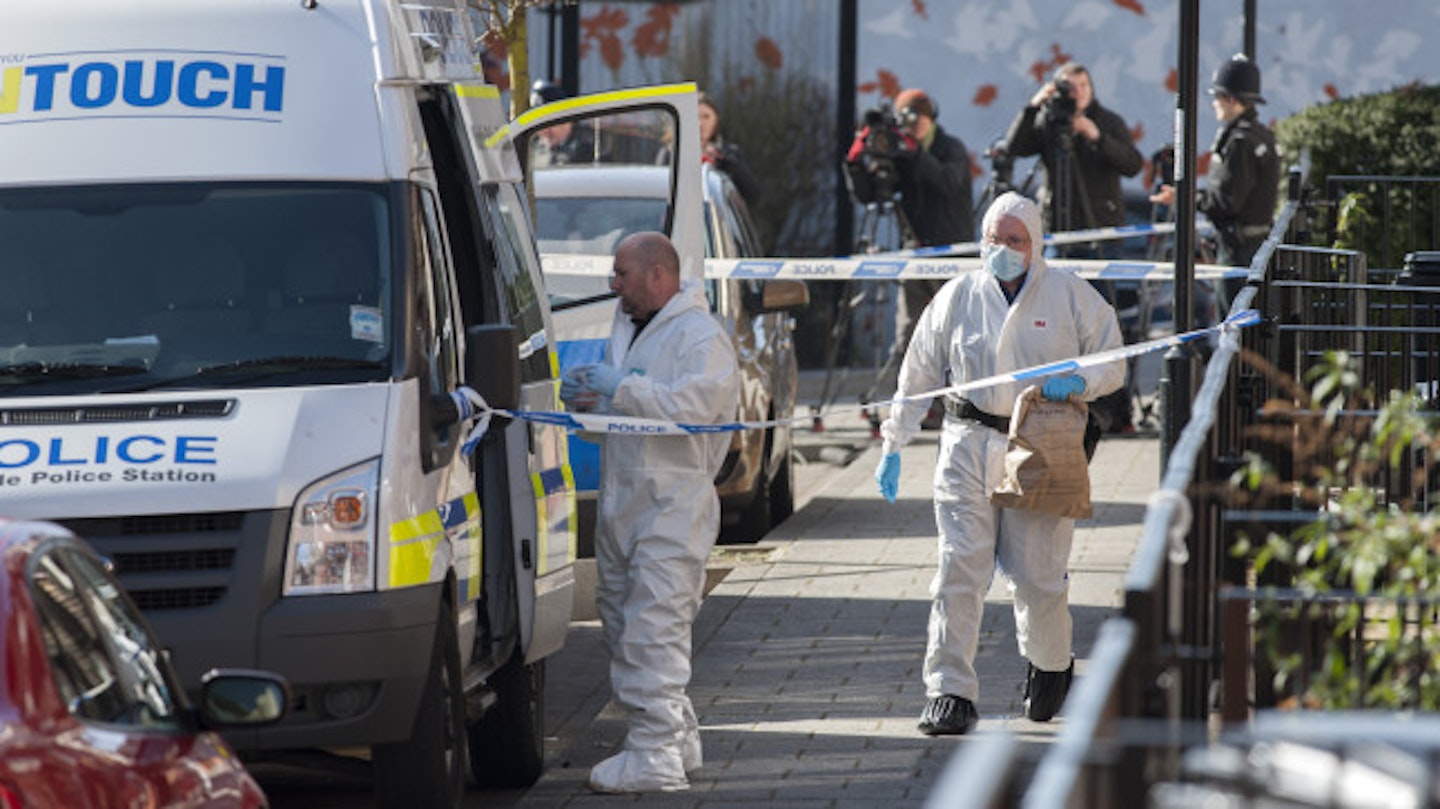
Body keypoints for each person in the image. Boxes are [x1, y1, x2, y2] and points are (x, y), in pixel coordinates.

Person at [872, 192, 1125, 735]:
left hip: (1041, 444)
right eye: (996, 239)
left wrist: (1082, 379)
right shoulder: (957, 295)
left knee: (1037, 579)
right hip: (967, 443)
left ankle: (1052, 663)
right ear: (982, 240)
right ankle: (949, 691)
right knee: (959, 568)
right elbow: (917, 372)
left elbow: (1114, 357)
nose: (1004, 250)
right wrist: (894, 442)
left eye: (1016, 240)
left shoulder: (1068, 295)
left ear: (1035, 244)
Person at [559, 232, 740, 792]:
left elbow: (693, 409)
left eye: (622, 273)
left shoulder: (699, 337)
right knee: (621, 623)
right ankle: (676, 735)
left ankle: (654, 754)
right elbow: (627, 419)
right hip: (625, 504)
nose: (613, 285)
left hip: (671, 506)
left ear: (658, 274)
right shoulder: (628, 328)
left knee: (653, 629)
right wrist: (590, 404)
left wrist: (624, 389)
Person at [848, 87, 974, 429]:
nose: (912, 125)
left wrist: (914, 152)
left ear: (930, 117)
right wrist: (857, 160)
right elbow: (870, 195)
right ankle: (917, 406)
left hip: (953, 253)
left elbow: (948, 183)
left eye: (917, 118)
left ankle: (959, 402)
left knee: (955, 334)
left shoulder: (952, 148)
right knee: (911, 333)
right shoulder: (901, 153)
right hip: (913, 253)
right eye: (906, 119)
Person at [1151, 54, 1280, 267]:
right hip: (1250, 244)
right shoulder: (1260, 135)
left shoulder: (1239, 142)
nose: (1214, 104)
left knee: (1232, 300)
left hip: (1240, 248)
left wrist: (1187, 198)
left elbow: (1227, 202)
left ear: (1231, 99)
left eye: (1218, 97)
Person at [1004, 61, 1143, 241]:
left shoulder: (1109, 122)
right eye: (1070, 87)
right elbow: (1014, 147)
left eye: (1084, 85)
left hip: (1101, 228)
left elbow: (1133, 165)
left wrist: (1098, 138)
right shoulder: (1049, 121)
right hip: (1056, 228)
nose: (1078, 92)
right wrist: (1032, 107)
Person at [697, 92, 761, 205]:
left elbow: (752, 194)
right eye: (695, 117)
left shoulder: (731, 154)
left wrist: (727, 164)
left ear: (716, 119)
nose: (700, 124)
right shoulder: (671, 154)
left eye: (706, 117)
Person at [529, 78, 601, 166]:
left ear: (567, 120)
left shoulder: (588, 150)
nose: (544, 131)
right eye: (538, 126)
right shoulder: (533, 149)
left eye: (548, 123)